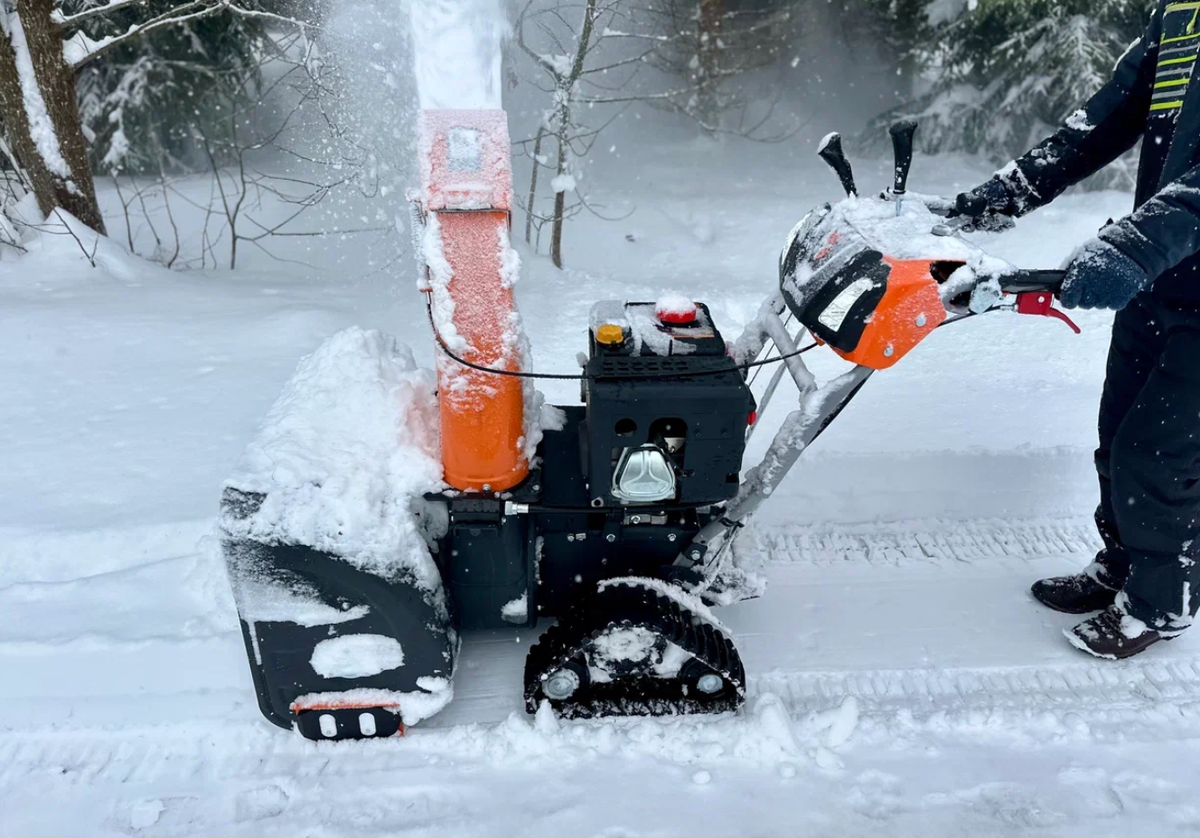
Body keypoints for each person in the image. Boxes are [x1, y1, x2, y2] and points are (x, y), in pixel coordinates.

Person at [954, 0, 1200, 659]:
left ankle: (1161, 605)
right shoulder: (1179, 11)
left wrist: (1136, 245)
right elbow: (1107, 116)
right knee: (1118, 432)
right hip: (1165, 274)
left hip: (1167, 261)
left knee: (1160, 453)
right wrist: (1007, 193)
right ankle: (1126, 564)